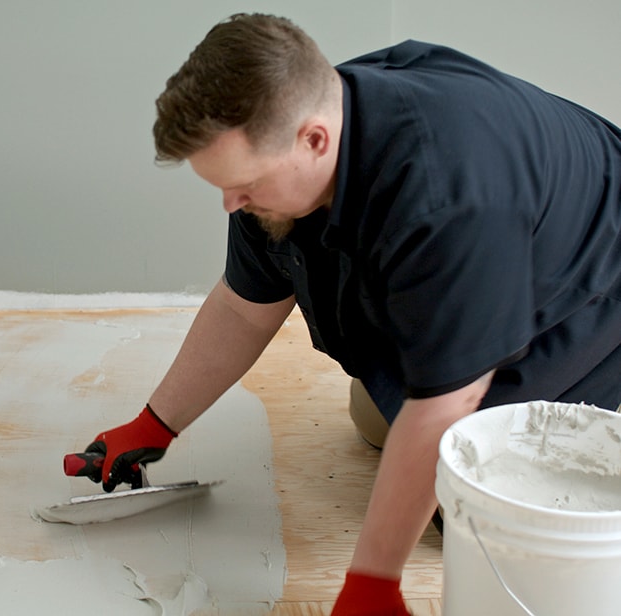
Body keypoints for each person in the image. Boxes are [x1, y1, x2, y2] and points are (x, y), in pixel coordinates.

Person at [82, 13, 621, 616]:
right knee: (381, 419)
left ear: (314, 141)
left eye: (245, 186)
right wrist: (156, 423)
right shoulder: (294, 134)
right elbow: (244, 306)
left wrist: (373, 582)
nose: (232, 203)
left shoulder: (447, 197)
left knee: (466, 499)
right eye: (224, 187)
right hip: (484, 244)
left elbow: (446, 403)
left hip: (587, 296)